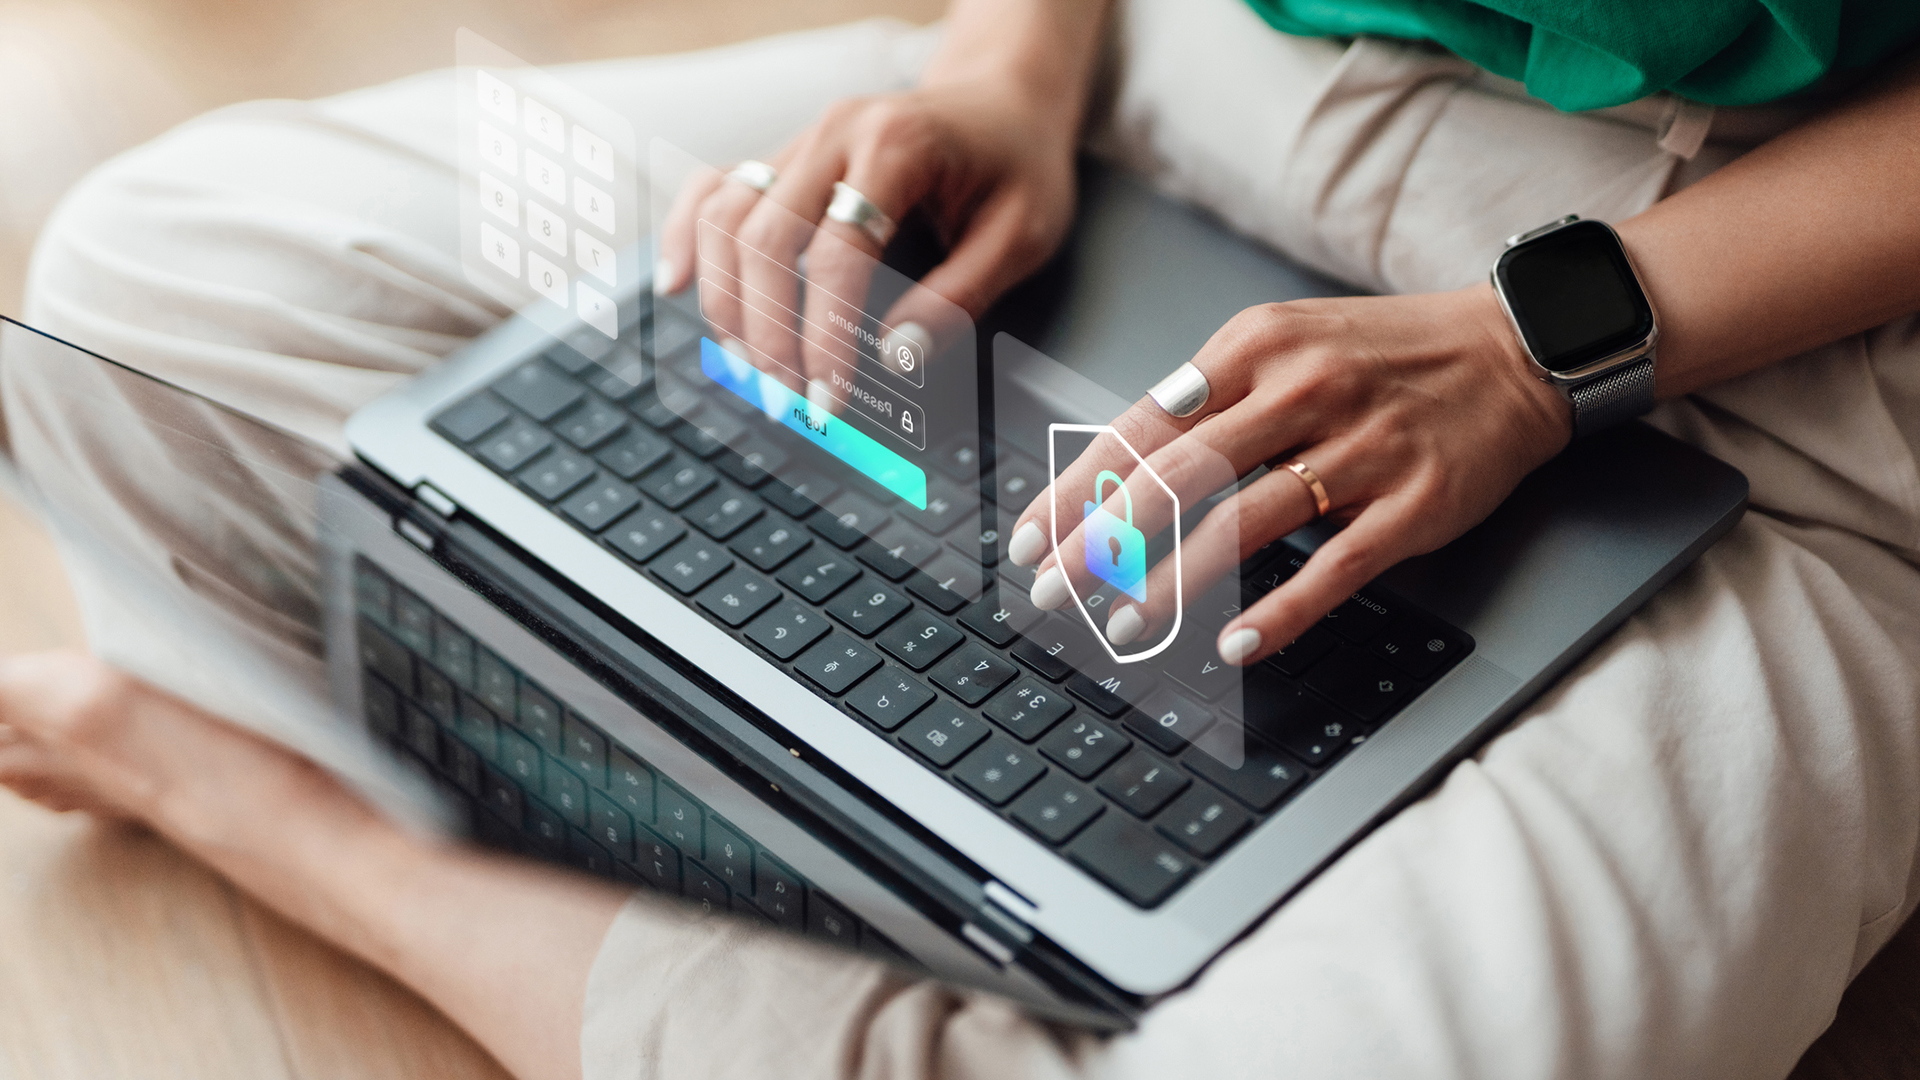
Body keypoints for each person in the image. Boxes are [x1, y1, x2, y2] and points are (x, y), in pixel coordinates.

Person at [4, 0, 1920, 1077]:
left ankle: (297, 826)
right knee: (145, 299)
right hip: (1195, 83)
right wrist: (1007, 67)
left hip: (1776, 332)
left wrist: (1536, 345)